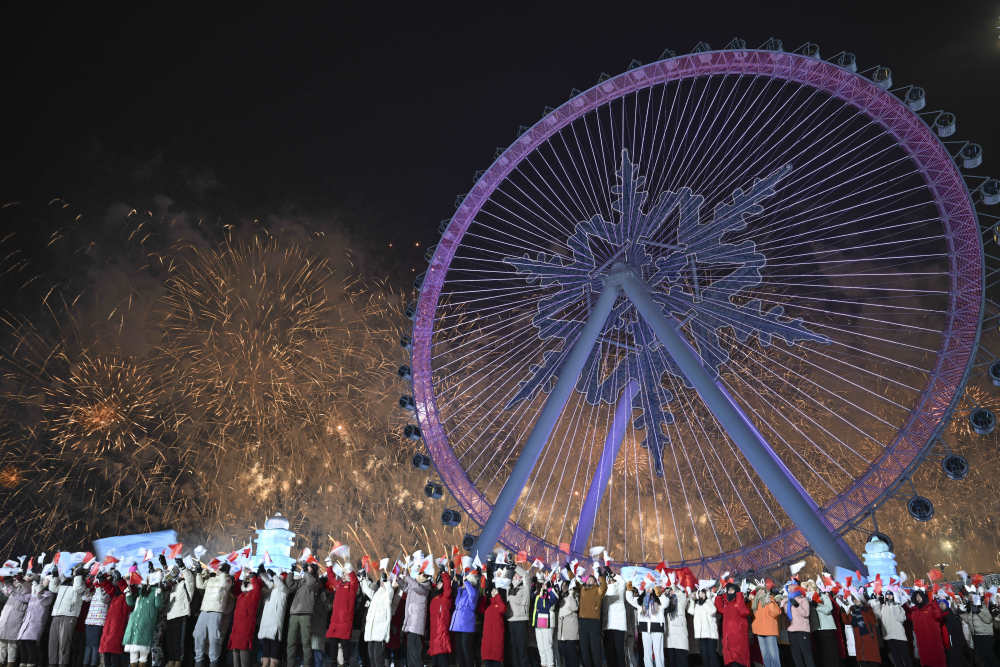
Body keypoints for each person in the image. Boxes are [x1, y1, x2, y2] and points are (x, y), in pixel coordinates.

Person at [193, 562, 233, 667]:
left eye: (220, 568)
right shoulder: (212, 579)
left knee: (214, 638)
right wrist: (198, 573)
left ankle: (213, 661)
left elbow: (223, 584)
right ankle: (199, 659)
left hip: (216, 611)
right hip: (204, 610)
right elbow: (200, 585)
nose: (217, 570)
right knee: (198, 635)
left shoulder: (228, 580)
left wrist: (224, 573)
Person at [49, 564, 87, 667]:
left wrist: (78, 576)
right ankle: (52, 664)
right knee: (53, 643)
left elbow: (78, 588)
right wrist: (55, 575)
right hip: (57, 614)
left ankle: (63, 664)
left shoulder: (82, 583)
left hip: (69, 615)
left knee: (64, 644)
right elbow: (52, 588)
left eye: (75, 569)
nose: (73, 571)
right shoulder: (64, 582)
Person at [122, 576, 164, 667]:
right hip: (134, 623)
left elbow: (158, 605)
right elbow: (130, 603)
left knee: (143, 655)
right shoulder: (141, 591)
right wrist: (128, 593)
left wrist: (159, 592)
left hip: (145, 625)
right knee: (132, 655)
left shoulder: (156, 590)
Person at [360, 568, 399, 667]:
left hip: (379, 633)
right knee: (371, 658)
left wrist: (386, 581)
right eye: (381, 580)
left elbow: (390, 591)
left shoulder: (387, 595)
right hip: (371, 632)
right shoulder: (377, 594)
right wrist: (364, 579)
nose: (381, 582)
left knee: (378, 660)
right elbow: (367, 590)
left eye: (383, 580)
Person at [17, 569, 56, 667]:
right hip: (26, 625)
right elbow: (22, 597)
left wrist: (42, 586)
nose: (43, 581)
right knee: (22, 650)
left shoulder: (49, 594)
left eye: (45, 580)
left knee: (31, 651)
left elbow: (41, 599)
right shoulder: (35, 592)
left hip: (35, 626)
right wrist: (10, 587)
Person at [161, 558, 195, 667]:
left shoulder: (185, 584)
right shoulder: (170, 588)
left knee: (178, 648)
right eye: (172, 573)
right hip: (170, 617)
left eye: (175, 572)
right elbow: (164, 579)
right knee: (171, 647)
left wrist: (183, 567)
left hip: (181, 615)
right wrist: (164, 566)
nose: (172, 574)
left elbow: (190, 579)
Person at [287, 562, 322, 667]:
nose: (307, 568)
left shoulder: (315, 581)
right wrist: (291, 571)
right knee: (290, 642)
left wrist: (306, 572)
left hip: (306, 614)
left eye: (309, 567)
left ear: (314, 570)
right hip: (294, 613)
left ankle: (307, 664)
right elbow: (291, 585)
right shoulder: (303, 580)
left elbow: (311, 583)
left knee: (306, 643)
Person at [325, 564, 359, 667]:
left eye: (345, 573)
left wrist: (350, 571)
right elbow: (331, 578)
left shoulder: (352, 587)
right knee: (332, 644)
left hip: (345, 621)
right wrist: (329, 566)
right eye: (343, 573)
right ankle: (333, 663)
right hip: (335, 621)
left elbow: (355, 581)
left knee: (345, 645)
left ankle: (346, 663)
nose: (343, 575)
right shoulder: (339, 584)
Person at [226, 568, 261, 667]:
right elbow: (236, 587)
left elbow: (257, 587)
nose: (246, 581)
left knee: (243, 652)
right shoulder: (242, 595)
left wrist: (252, 577)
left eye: (248, 580)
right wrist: (243, 575)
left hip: (245, 627)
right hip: (236, 628)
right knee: (235, 653)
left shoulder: (254, 594)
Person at [624, 582, 665, 667]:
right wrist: (629, 586)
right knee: (647, 654)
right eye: (647, 588)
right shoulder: (640, 601)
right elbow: (629, 599)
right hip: (645, 628)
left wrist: (659, 593)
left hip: (657, 628)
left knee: (658, 653)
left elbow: (666, 602)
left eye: (651, 588)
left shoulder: (659, 600)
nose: (649, 590)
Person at [258, 568, 291, 667]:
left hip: (275, 629)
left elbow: (279, 584)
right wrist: (262, 573)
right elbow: (267, 581)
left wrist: (273, 575)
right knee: (265, 658)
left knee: (274, 661)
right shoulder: (272, 588)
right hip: (265, 627)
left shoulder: (284, 591)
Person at [837, 594, 880, 667]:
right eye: (853, 600)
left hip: (869, 637)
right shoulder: (852, 609)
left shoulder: (867, 608)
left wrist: (863, 608)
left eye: (856, 599)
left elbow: (873, 621)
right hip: (859, 638)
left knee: (872, 659)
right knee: (863, 660)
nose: (855, 601)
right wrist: (843, 611)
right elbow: (847, 621)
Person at [399, 569, 431, 667]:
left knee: (415, 655)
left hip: (416, 625)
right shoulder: (414, 585)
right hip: (410, 624)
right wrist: (398, 579)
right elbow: (405, 588)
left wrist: (407, 576)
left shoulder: (425, 588)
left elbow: (417, 587)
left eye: (420, 574)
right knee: (410, 655)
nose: (417, 576)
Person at [448, 568, 479, 667]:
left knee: (466, 650)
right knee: (459, 650)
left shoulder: (474, 592)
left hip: (466, 626)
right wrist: (459, 589)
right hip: (458, 625)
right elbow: (457, 603)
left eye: (467, 582)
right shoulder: (464, 592)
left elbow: (472, 594)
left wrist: (465, 582)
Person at [98, 572, 130, 667]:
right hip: (108, 628)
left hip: (117, 628)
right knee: (107, 655)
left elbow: (126, 591)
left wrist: (120, 580)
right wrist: (103, 581)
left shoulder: (128, 595)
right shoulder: (116, 595)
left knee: (114, 657)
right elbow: (110, 589)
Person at [908, 590, 946, 667]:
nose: (918, 598)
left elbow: (939, 616)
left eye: (919, 596)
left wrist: (934, 603)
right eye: (916, 597)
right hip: (922, 643)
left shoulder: (930, 607)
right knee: (927, 662)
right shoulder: (914, 611)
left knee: (938, 662)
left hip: (934, 641)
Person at [715, 582, 749, 667]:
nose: (729, 592)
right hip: (728, 638)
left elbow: (744, 612)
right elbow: (720, 609)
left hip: (738, 638)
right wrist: (719, 597)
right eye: (728, 590)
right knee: (731, 661)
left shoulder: (739, 602)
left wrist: (739, 596)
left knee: (739, 660)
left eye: (732, 590)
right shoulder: (727, 603)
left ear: (736, 591)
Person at [871, 591, 910, 667]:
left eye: (890, 595)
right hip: (889, 637)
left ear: (893, 596)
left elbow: (901, 618)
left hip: (900, 636)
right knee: (896, 659)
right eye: (887, 595)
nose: (888, 596)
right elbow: (877, 616)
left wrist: (894, 606)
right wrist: (877, 602)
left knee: (906, 658)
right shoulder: (882, 607)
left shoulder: (898, 606)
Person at [0, 571, 29, 667]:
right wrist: (4, 582)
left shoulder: (28, 586)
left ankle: (10, 664)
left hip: (16, 618)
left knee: (12, 644)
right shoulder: (15, 585)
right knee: (2, 643)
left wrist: (14, 590)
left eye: (17, 576)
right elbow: (6, 592)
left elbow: (25, 598)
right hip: (6, 615)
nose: (15, 578)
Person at [577, 573, 606, 667]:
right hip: (582, 622)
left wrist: (601, 576)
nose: (589, 580)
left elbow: (604, 587)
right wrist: (570, 570)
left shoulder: (598, 590)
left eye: (591, 579)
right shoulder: (582, 589)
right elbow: (575, 581)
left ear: (595, 581)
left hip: (594, 622)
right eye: (588, 579)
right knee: (584, 649)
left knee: (595, 649)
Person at [505, 564, 532, 667]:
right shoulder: (509, 589)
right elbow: (505, 579)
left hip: (521, 620)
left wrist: (516, 567)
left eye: (517, 575)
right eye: (514, 575)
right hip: (511, 621)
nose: (516, 576)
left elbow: (526, 576)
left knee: (522, 649)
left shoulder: (525, 588)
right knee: (513, 649)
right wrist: (508, 568)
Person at [83, 572, 112, 667]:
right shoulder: (96, 590)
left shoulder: (108, 590)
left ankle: (93, 664)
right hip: (89, 621)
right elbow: (85, 598)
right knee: (88, 646)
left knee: (95, 646)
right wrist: (89, 586)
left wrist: (98, 587)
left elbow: (103, 599)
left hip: (99, 621)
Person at [962, 592, 998, 667]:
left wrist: (979, 611)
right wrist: (960, 614)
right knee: (982, 659)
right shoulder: (969, 608)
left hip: (986, 636)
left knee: (990, 657)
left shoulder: (983, 606)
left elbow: (988, 619)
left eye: (972, 596)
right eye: (969, 597)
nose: (970, 598)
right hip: (976, 637)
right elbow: (968, 621)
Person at [427, 570, 453, 667]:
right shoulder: (433, 599)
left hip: (442, 636)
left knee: (443, 662)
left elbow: (447, 588)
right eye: (438, 583)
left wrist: (444, 574)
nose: (439, 585)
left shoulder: (445, 597)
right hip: (434, 636)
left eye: (441, 583)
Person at [688, 587, 720, 667]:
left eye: (703, 593)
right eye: (699, 593)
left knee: (712, 655)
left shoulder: (710, 601)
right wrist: (692, 600)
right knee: (704, 655)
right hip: (701, 634)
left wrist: (707, 600)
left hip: (710, 634)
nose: (701, 594)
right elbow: (690, 611)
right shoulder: (697, 604)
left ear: (706, 594)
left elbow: (712, 611)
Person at [750, 586, 780, 667]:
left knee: (773, 656)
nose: (760, 591)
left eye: (762, 589)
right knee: (765, 656)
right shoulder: (756, 602)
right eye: (758, 590)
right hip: (760, 631)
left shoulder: (770, 598)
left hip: (769, 631)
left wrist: (769, 602)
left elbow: (776, 613)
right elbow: (756, 615)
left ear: (765, 590)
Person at [785, 586, 815, 667]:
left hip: (802, 630)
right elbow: (786, 614)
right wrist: (785, 603)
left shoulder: (803, 600)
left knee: (807, 654)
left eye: (791, 590)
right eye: (789, 591)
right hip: (791, 631)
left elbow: (806, 613)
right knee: (796, 656)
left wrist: (796, 604)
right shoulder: (788, 601)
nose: (790, 592)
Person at [531, 578, 559, 667]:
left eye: (544, 583)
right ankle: (543, 664)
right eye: (541, 584)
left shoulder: (551, 593)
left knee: (547, 646)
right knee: (540, 647)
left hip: (547, 622)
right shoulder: (539, 594)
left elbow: (553, 600)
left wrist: (549, 588)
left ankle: (550, 664)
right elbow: (532, 598)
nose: (542, 585)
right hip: (538, 622)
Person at [603, 571, 627, 667]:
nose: (610, 581)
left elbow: (622, 581)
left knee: (619, 652)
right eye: (608, 580)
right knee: (609, 653)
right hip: (607, 626)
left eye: (611, 580)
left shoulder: (619, 589)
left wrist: (614, 575)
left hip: (618, 625)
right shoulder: (604, 592)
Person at [812, 589, 842, 667]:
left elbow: (829, 609)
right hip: (817, 629)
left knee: (831, 652)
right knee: (823, 654)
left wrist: (817, 606)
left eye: (810, 588)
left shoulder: (824, 596)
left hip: (827, 628)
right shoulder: (808, 599)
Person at [480, 584, 508, 667]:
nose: (493, 592)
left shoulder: (499, 604)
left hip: (496, 639)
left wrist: (497, 596)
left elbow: (502, 608)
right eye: (492, 591)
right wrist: (484, 597)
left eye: (495, 590)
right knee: (488, 662)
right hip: (487, 640)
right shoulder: (489, 606)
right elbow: (481, 609)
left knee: (496, 661)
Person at [664, 585, 689, 667]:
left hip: (680, 636)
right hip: (670, 638)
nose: (669, 592)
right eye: (667, 591)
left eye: (671, 590)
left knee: (682, 661)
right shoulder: (667, 602)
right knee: (672, 661)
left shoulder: (681, 600)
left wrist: (674, 586)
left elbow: (682, 596)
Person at [557, 581, 580, 667]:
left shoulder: (574, 596)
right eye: (562, 586)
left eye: (565, 586)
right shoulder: (561, 598)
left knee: (572, 659)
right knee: (565, 659)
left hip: (571, 634)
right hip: (562, 634)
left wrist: (571, 595)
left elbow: (575, 607)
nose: (563, 587)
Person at [939, 598, 968, 667]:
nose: (941, 605)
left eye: (943, 603)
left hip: (955, 644)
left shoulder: (951, 615)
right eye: (939, 604)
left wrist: (960, 642)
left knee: (957, 661)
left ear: (946, 604)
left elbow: (958, 630)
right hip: (947, 645)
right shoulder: (940, 617)